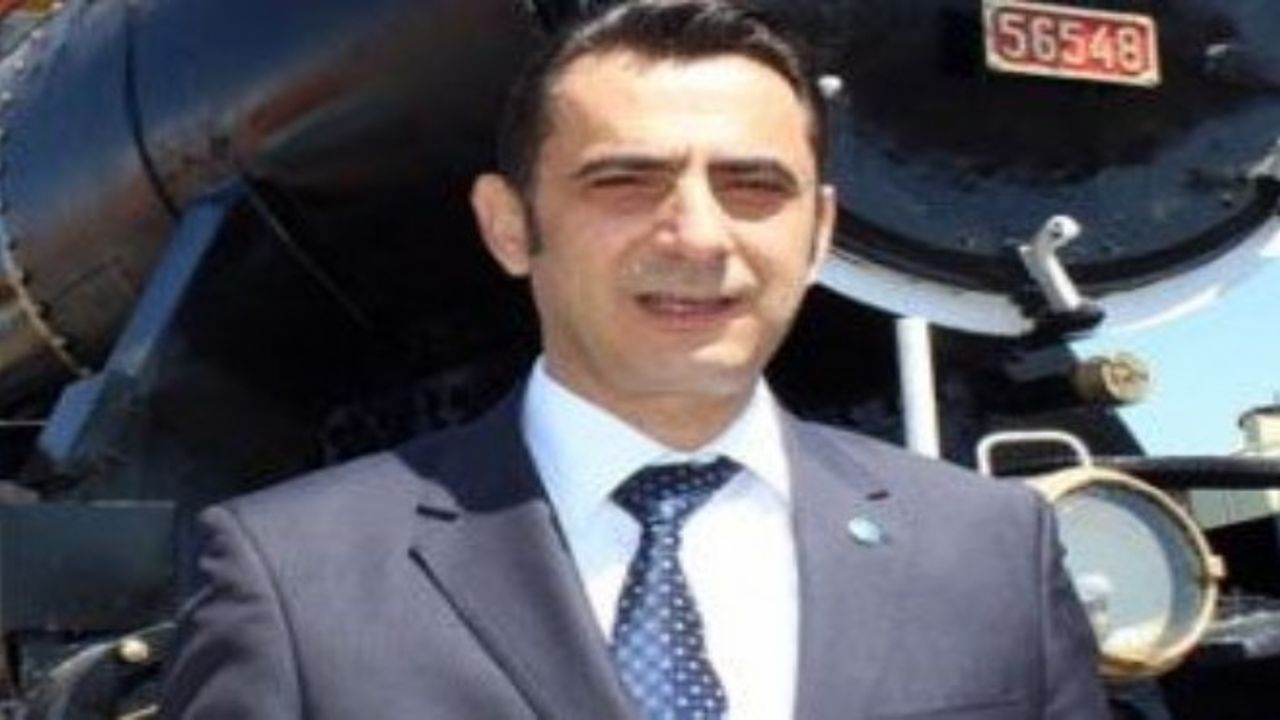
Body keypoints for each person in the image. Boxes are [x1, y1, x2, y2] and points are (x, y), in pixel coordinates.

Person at [161, 1, 1109, 718]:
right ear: (508, 225)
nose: (698, 237)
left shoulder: (994, 553)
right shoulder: (292, 578)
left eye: (753, 186)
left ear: (819, 232)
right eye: (625, 182)